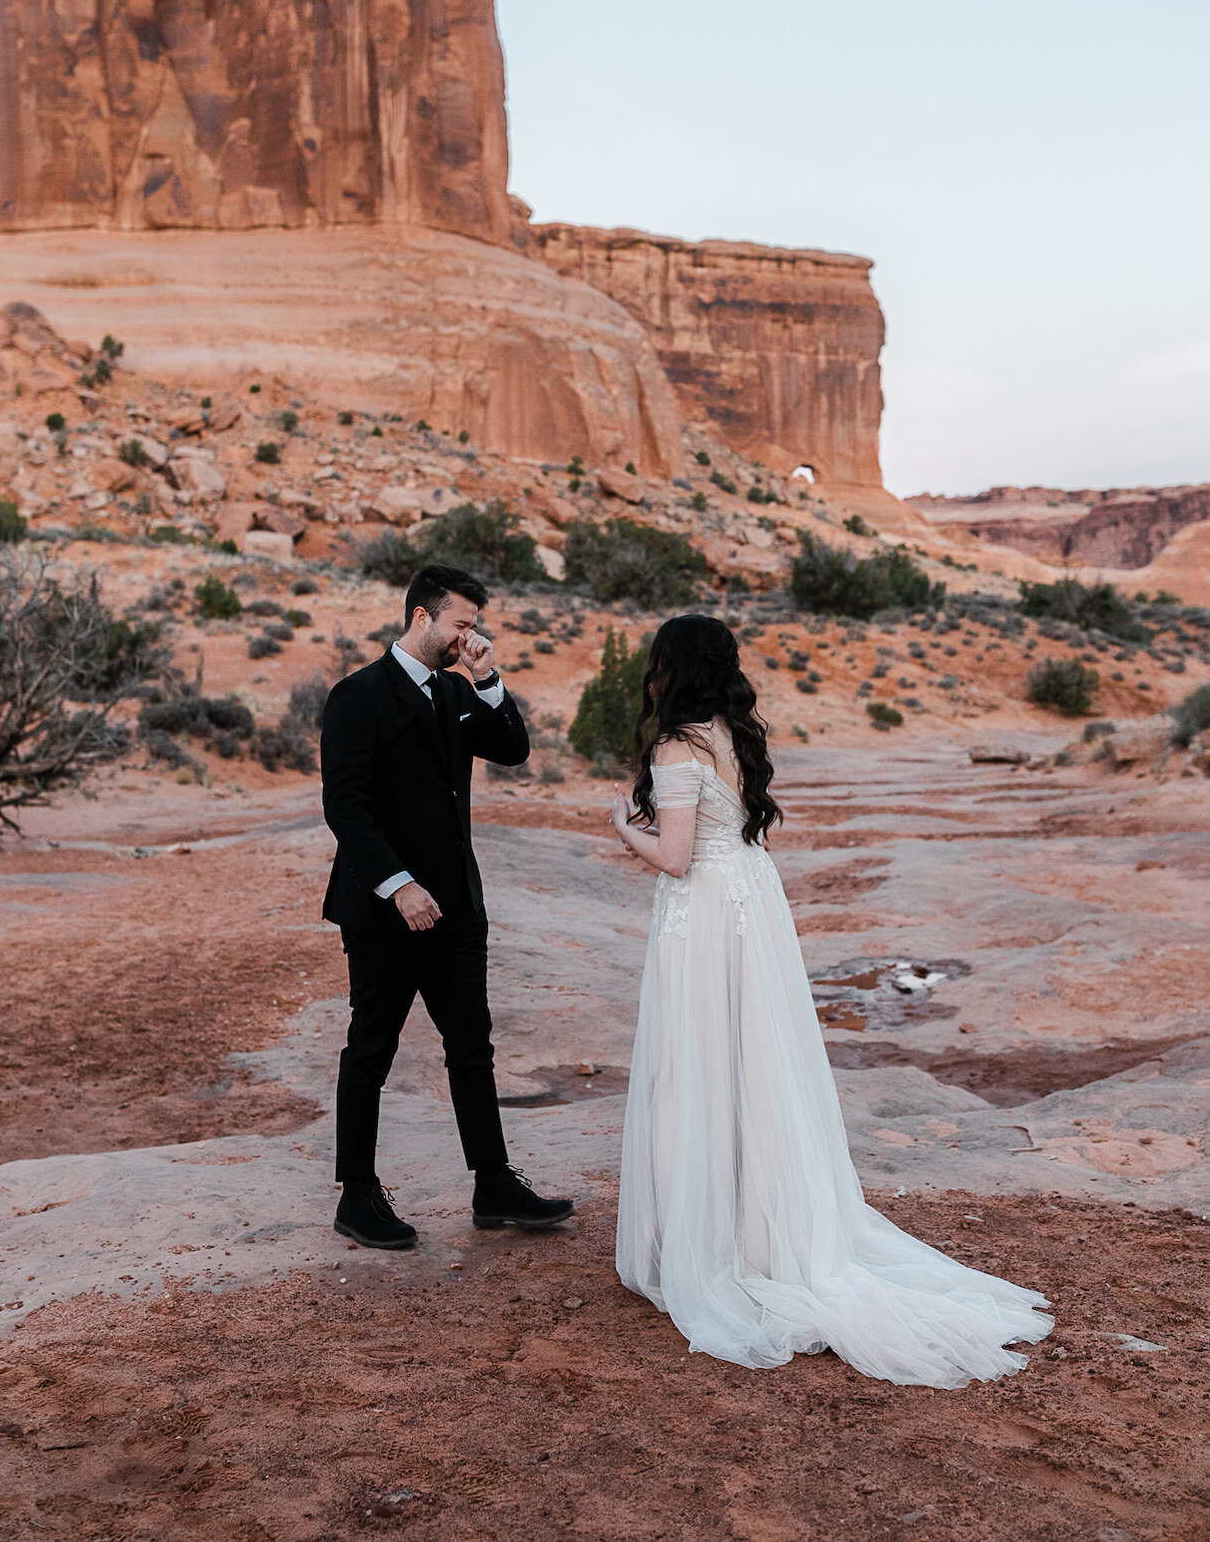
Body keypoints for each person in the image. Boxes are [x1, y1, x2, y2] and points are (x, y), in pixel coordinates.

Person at [611, 613, 1051, 1384]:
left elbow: (676, 857)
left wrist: (623, 827)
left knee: (703, 1064)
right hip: (751, 900)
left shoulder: (677, 744)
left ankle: (710, 1242)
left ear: (670, 667)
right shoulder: (735, 735)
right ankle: (757, 1231)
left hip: (707, 916)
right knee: (754, 1066)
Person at [317, 563, 573, 1250]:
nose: (469, 635)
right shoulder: (358, 695)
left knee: (472, 1046)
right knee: (371, 1047)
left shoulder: (458, 692)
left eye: (474, 625)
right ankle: (358, 1195)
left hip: (457, 905)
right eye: (461, 623)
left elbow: (513, 750)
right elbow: (344, 804)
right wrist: (398, 883)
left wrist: (488, 678)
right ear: (422, 616)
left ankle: (492, 1183)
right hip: (387, 909)